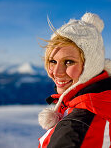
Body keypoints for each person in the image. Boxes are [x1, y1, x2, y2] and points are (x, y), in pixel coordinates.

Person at [38, 12, 111, 148]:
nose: (56, 72)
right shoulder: (102, 99)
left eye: (69, 62)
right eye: (52, 61)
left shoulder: (77, 127)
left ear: (91, 65)